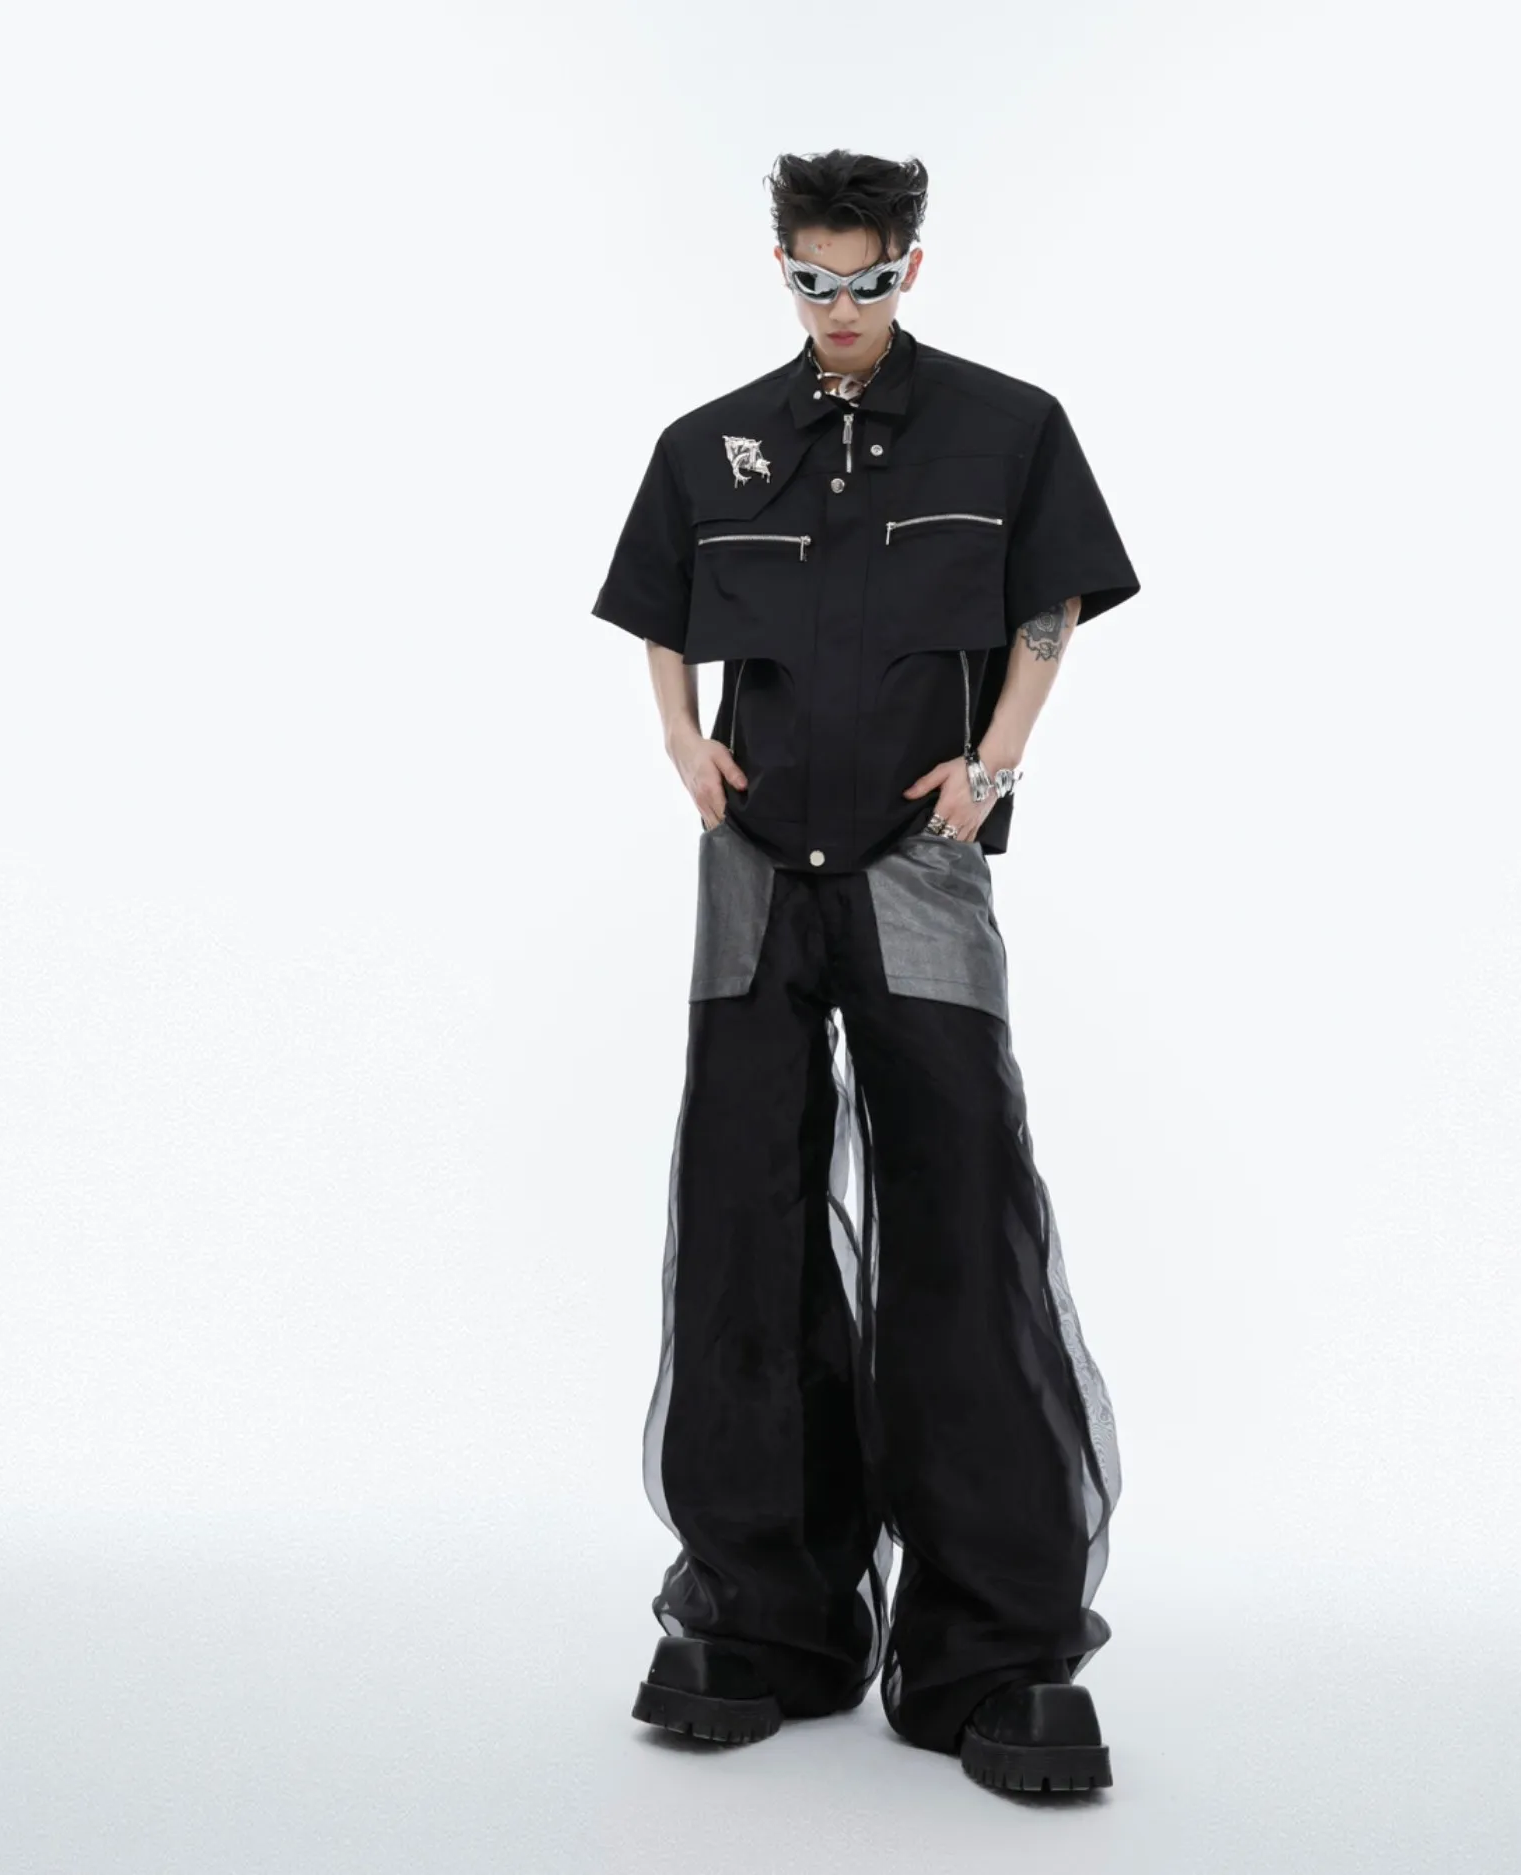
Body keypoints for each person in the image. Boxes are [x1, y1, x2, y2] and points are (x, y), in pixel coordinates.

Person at [590, 148, 1141, 1795]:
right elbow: (660, 602)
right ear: (783, 269)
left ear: (911, 266)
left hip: (918, 862)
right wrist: (680, 738)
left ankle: (991, 1649)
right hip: (756, 864)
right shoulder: (711, 442)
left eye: (868, 280)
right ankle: (764, 1620)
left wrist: (996, 763)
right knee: (742, 1217)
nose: (840, 309)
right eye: (813, 281)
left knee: (959, 1213)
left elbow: (1050, 598)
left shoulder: (1003, 427)